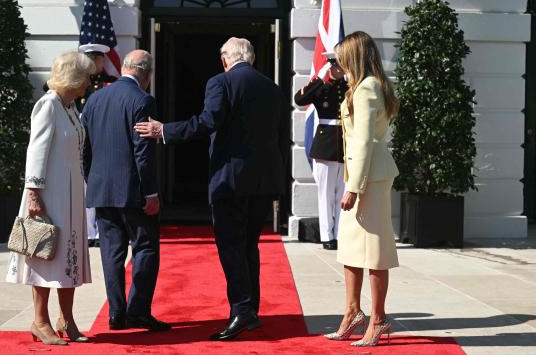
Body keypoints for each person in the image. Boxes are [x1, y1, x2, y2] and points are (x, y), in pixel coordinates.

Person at [135, 37, 288, 341]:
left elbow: (208, 121)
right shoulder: (272, 87)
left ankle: (242, 311)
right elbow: (280, 134)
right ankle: (250, 309)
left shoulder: (221, 82)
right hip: (263, 179)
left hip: (230, 179)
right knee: (248, 246)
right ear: (252, 58)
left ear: (225, 59)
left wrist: (165, 130)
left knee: (231, 246)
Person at [6, 51, 94, 345]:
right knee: (45, 256)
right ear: (74, 78)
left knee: (69, 259)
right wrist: (33, 193)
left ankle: (66, 320)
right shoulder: (48, 105)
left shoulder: (69, 107)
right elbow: (36, 149)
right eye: (86, 79)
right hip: (48, 194)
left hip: (70, 195)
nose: (89, 85)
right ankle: (39, 321)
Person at [81, 49, 171, 332]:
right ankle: (138, 312)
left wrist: (92, 178)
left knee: (111, 251)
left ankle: (116, 313)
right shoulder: (143, 100)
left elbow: (84, 148)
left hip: (102, 190)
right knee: (145, 248)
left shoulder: (94, 99)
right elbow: (142, 151)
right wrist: (151, 193)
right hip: (134, 191)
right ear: (147, 75)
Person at [323, 31, 399, 347]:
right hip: (364, 174)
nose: (338, 61)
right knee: (351, 248)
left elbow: (366, 141)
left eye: (342, 55)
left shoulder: (367, 88)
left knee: (375, 250)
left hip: (369, 178)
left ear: (354, 56)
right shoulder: (364, 85)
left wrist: (354, 187)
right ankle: (353, 312)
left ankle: (378, 319)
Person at [294, 53, 348, 250]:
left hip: (345, 144)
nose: (338, 70)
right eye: (334, 67)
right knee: (325, 193)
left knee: (342, 193)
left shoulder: (350, 88)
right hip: (325, 145)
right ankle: (327, 236)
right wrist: (321, 74)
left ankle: (340, 234)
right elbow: (300, 98)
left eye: (341, 67)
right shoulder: (322, 89)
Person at [77, 43, 118, 248]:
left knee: (99, 185)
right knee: (84, 187)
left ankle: (100, 231)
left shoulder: (110, 83)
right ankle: (88, 232)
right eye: (92, 59)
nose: (95, 63)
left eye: (98, 59)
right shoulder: (76, 82)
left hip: (100, 139)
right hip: (80, 139)